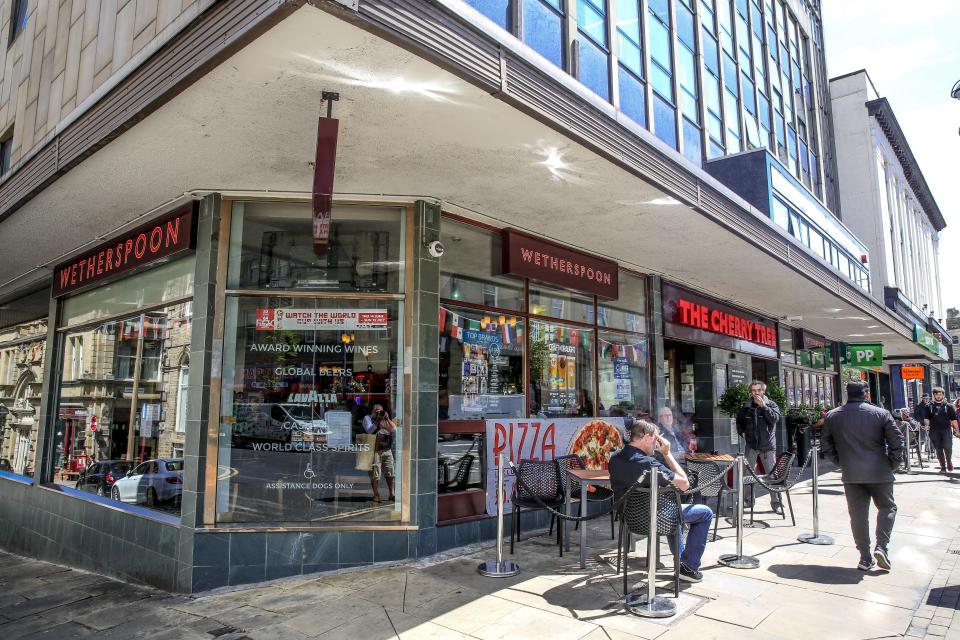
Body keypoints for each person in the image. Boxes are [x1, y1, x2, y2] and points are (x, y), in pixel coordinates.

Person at [609, 420, 713, 583]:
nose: (657, 443)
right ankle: (689, 566)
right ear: (646, 437)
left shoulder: (614, 458)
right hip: (656, 519)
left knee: (671, 509)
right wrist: (667, 453)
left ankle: (682, 562)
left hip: (629, 518)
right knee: (705, 513)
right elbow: (684, 484)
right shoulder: (649, 464)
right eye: (656, 438)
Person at [821, 381, 903, 571]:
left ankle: (865, 557)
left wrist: (841, 462)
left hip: (852, 474)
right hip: (879, 471)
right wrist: (892, 464)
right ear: (866, 394)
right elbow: (897, 442)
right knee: (887, 507)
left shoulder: (833, 416)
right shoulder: (881, 413)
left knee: (857, 515)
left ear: (847, 394)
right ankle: (881, 546)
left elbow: (826, 444)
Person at [735, 381, 783, 514]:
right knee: (748, 475)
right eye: (753, 391)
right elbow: (739, 421)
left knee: (772, 475)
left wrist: (763, 406)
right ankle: (748, 501)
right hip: (751, 446)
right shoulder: (746, 406)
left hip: (767, 446)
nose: (756, 393)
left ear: (763, 391)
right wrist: (742, 432)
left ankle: (777, 503)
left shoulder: (771, 404)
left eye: (758, 390)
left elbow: (775, 419)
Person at [362, 404, 396, 502]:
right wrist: (377, 420)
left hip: (386, 449)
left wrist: (388, 419)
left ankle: (391, 494)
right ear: (373, 411)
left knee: (390, 472)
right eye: (376, 411)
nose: (378, 413)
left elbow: (394, 429)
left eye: (380, 411)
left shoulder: (385, 419)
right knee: (375, 474)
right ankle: (376, 495)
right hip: (374, 450)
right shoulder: (367, 418)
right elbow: (369, 431)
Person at [923, 387, 958, 474]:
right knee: (938, 449)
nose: (938, 396)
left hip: (946, 430)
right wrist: (927, 425)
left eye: (940, 394)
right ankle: (943, 467)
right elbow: (926, 418)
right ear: (934, 395)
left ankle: (949, 461)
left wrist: (957, 430)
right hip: (934, 431)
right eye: (937, 394)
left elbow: (953, 419)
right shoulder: (929, 406)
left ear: (943, 395)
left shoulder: (949, 406)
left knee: (948, 447)